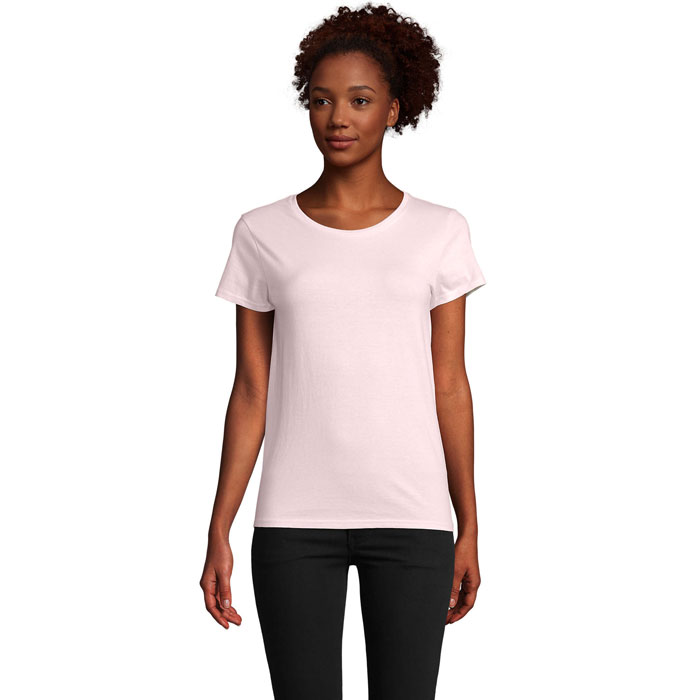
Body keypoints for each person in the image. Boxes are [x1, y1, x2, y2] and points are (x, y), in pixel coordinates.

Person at [200, 4, 487, 698]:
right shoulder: (262, 232)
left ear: (394, 109)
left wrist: (469, 524)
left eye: (359, 100)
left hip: (413, 517)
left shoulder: (441, 231)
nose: (338, 118)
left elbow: (450, 384)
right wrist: (219, 526)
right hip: (293, 522)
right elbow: (251, 390)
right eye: (321, 100)